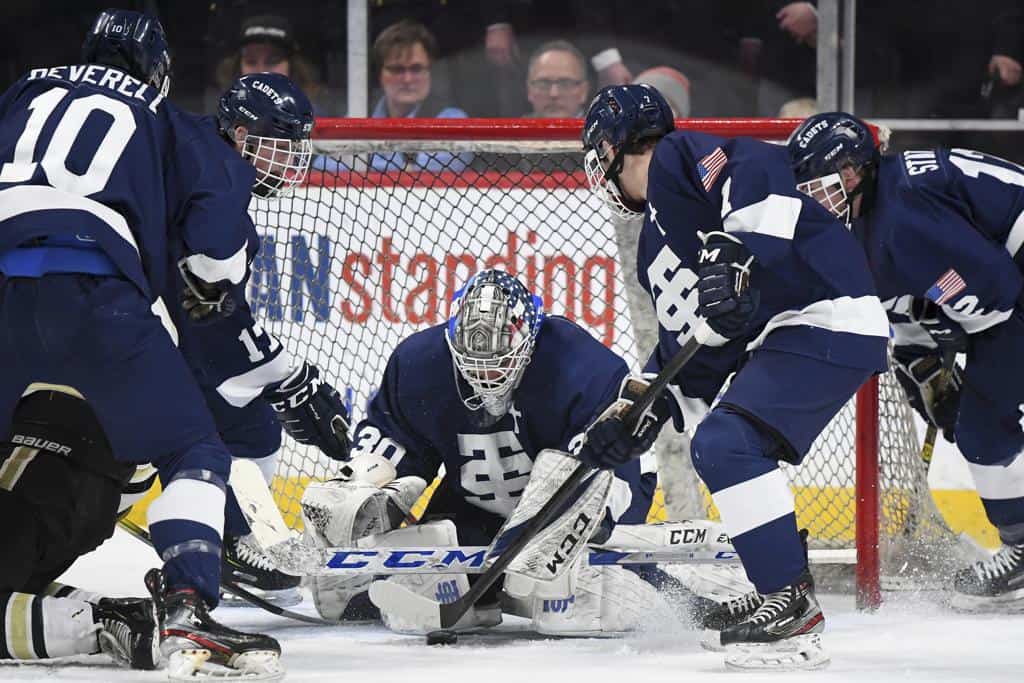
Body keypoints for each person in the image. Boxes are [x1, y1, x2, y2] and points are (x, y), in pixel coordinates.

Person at [0, 9, 278, 678]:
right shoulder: (162, 114)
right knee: (193, 447)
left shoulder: (22, 91)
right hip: (92, 291)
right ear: (157, 71)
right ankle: (187, 606)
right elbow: (213, 257)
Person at [580, 85, 890, 669]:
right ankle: (781, 591)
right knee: (721, 442)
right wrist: (637, 409)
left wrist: (735, 253)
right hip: (799, 333)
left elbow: (760, 169)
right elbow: (695, 352)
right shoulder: (654, 249)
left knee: (726, 443)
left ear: (609, 151)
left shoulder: (680, 156)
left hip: (828, 312)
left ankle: (789, 603)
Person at [298, 269, 692, 636]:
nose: (486, 375)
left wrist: (570, 528)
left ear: (530, 340)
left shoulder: (582, 366)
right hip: (479, 513)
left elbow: (608, 471)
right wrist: (363, 494)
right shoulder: (420, 364)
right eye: (473, 363)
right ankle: (481, 592)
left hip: (581, 508)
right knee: (426, 550)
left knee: (561, 598)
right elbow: (394, 445)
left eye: (501, 362)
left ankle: (652, 588)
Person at [787, 111, 1024, 612]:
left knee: (984, 428)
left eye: (821, 184)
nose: (813, 199)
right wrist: (923, 351)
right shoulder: (878, 211)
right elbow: (911, 297)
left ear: (853, 173)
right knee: (978, 416)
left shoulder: (900, 218)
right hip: (1007, 271)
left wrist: (951, 330)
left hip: (1011, 281)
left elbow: (998, 294)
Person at [174, 72, 351, 608]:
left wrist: (276, 373)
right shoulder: (222, 178)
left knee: (247, 416)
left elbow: (211, 309)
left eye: (296, 148)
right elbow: (209, 305)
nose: (289, 162)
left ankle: (234, 535)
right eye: (278, 148)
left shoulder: (199, 150)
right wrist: (285, 374)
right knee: (194, 433)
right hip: (121, 322)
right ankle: (226, 540)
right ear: (243, 137)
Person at [0, 385, 160, 670]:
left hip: (39, 473)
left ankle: (104, 623)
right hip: (80, 487)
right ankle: (115, 612)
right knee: (18, 585)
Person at [312, 19, 470, 174]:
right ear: (380, 75)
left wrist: (362, 165)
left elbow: (431, 173)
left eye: (416, 69)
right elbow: (322, 168)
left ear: (430, 72)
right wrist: (403, 169)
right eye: (396, 69)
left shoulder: (453, 120)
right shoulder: (358, 116)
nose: (407, 79)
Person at [212, 14, 323, 113]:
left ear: (292, 66)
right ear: (237, 67)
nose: (261, 71)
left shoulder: (313, 118)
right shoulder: (219, 117)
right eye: (251, 61)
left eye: (272, 61)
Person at [525, 40, 591, 118]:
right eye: (543, 84)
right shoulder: (513, 129)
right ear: (529, 90)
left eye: (565, 84)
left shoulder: (603, 129)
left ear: (584, 91)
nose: (554, 94)